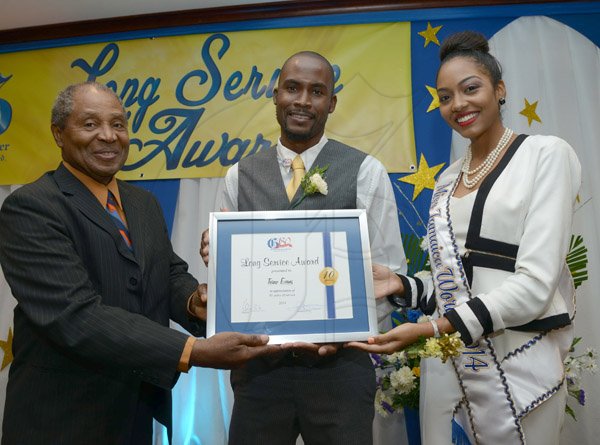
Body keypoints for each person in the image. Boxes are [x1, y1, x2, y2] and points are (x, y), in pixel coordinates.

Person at [0, 81, 279, 445]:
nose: (108, 136)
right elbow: (75, 315)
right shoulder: (33, 207)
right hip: (61, 417)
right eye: (90, 124)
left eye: (118, 124)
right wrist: (191, 351)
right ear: (58, 133)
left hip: (135, 409)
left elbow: (167, 273)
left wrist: (195, 301)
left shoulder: (141, 202)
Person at [348, 31, 581, 444]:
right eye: (444, 97)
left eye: (470, 88)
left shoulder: (545, 155)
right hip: (449, 369)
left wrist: (433, 329)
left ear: (499, 89)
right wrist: (403, 285)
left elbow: (535, 285)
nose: (458, 104)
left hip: (520, 363)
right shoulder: (447, 179)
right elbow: (456, 282)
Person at [200, 51, 411, 445]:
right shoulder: (238, 176)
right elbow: (230, 276)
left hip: (341, 373)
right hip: (260, 373)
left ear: (331, 103)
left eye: (317, 91)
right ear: (275, 94)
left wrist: (350, 335)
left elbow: (387, 272)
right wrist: (218, 260)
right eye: (292, 88)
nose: (302, 100)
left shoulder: (366, 172)